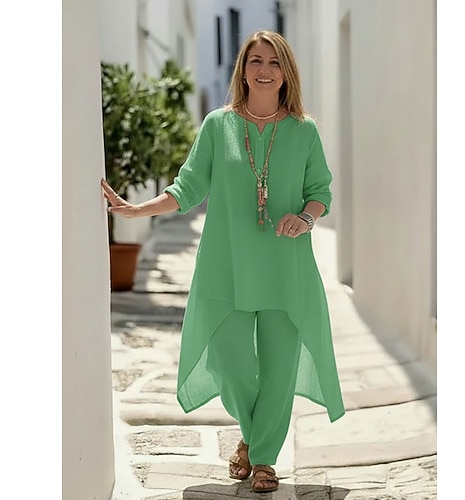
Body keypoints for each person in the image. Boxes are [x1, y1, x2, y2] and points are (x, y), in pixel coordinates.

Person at [101, 29, 345, 494]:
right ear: (243, 70)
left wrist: (305, 218)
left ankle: (264, 459)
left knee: (279, 368)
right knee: (231, 364)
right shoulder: (218, 125)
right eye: (256, 60)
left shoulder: (304, 130)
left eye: (274, 62)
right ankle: (253, 436)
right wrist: (136, 210)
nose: (264, 69)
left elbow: (320, 192)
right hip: (226, 266)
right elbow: (187, 188)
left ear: (286, 72)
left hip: (286, 267)